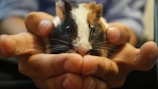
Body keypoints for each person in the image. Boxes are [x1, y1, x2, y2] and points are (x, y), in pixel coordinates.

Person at [0, 0, 157, 89]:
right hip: (21, 59)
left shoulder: (100, 21)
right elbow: (12, 12)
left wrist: (118, 42)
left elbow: (128, 20)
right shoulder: (58, 21)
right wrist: (34, 39)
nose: (82, 49)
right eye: (68, 30)